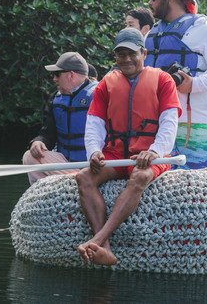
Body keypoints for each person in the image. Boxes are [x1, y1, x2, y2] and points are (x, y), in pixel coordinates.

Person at [76, 27, 181, 265]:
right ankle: (106, 249)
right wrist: (94, 152)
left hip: (150, 155)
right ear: (116, 57)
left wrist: (154, 150)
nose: (126, 59)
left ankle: (98, 239)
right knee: (84, 177)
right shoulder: (105, 84)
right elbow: (94, 124)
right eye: (121, 54)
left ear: (143, 53)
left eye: (132, 53)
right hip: (115, 155)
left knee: (140, 177)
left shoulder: (163, 80)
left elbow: (169, 122)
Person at [141, 0, 207, 169]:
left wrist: (194, 84)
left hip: (195, 123)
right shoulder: (151, 34)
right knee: (158, 186)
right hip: (156, 123)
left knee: (195, 186)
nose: (150, 3)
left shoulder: (205, 28)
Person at [22, 52, 98, 184]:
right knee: (29, 156)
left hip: (94, 166)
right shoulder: (55, 99)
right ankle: (70, 183)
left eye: (57, 74)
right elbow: (47, 134)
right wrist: (38, 142)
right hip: (66, 166)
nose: (54, 79)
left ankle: (74, 182)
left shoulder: (100, 94)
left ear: (71, 75)